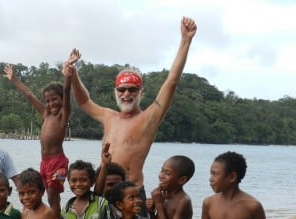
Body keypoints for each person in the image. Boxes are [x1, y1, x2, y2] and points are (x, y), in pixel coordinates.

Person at [64, 17, 197, 192]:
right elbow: (83, 101)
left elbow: (171, 82)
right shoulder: (108, 116)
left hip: (130, 192)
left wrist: (185, 41)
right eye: (122, 89)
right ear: (116, 92)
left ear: (141, 92)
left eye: (132, 89)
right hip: (104, 190)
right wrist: (73, 74)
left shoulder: (149, 118)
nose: (126, 94)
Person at [4, 64, 71, 217]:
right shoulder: (46, 115)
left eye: (55, 99)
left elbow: (67, 91)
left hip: (58, 162)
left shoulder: (63, 116)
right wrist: (13, 79)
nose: (51, 103)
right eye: (48, 101)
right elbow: (30, 95)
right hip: (45, 163)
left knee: (53, 195)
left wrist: (68, 75)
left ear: (62, 99)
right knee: (43, 193)